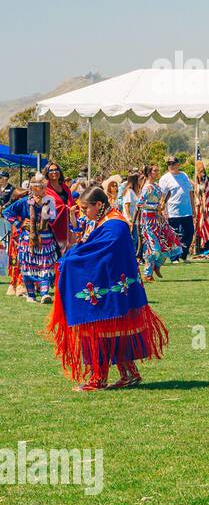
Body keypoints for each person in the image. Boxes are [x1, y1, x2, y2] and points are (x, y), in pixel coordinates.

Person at [46, 186, 169, 391]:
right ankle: (128, 373)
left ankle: (99, 378)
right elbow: (93, 248)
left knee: (102, 329)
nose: (84, 212)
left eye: (86, 208)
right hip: (113, 290)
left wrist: (71, 260)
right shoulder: (107, 221)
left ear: (99, 205)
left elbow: (101, 253)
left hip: (112, 291)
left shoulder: (115, 226)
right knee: (113, 330)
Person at [3, 173, 60, 302]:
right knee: (28, 266)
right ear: (34, 188)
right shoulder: (25, 201)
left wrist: (45, 211)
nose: (44, 189)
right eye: (41, 187)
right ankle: (31, 295)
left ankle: (45, 293)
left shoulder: (49, 200)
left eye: (44, 187)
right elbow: (6, 212)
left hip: (46, 237)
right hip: (28, 238)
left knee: (46, 265)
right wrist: (20, 223)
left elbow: (52, 218)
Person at [138, 164, 184, 281]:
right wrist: (155, 207)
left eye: (158, 170)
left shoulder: (157, 186)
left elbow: (159, 203)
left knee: (171, 242)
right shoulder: (147, 187)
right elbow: (140, 204)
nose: (157, 172)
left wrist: (160, 207)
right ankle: (147, 274)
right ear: (149, 173)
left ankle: (157, 266)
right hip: (148, 220)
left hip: (159, 219)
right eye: (155, 171)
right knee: (154, 248)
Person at [157, 156, 195, 260]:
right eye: (169, 164)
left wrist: (193, 208)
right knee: (173, 235)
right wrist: (163, 210)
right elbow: (162, 197)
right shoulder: (165, 178)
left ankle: (183, 254)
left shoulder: (184, 175)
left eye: (173, 163)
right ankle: (174, 257)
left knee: (189, 232)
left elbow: (190, 192)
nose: (171, 166)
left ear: (178, 164)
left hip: (187, 211)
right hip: (172, 212)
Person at [192, 159, 209, 253]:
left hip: (202, 206)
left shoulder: (205, 179)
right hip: (195, 205)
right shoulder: (195, 180)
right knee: (195, 224)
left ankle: (198, 247)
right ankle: (193, 246)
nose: (201, 172)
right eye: (199, 170)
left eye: (202, 170)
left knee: (201, 224)